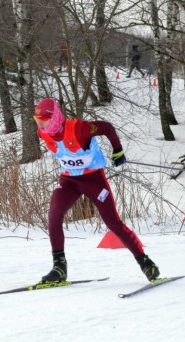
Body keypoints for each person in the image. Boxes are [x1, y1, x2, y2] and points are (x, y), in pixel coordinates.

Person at [33, 98, 160, 282]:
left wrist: (118, 151)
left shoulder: (79, 129)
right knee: (54, 215)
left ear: (54, 118)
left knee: (113, 222)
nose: (41, 125)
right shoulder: (42, 133)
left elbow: (107, 127)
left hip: (93, 180)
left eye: (44, 121)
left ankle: (146, 263)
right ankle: (59, 268)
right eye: (38, 122)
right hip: (69, 180)